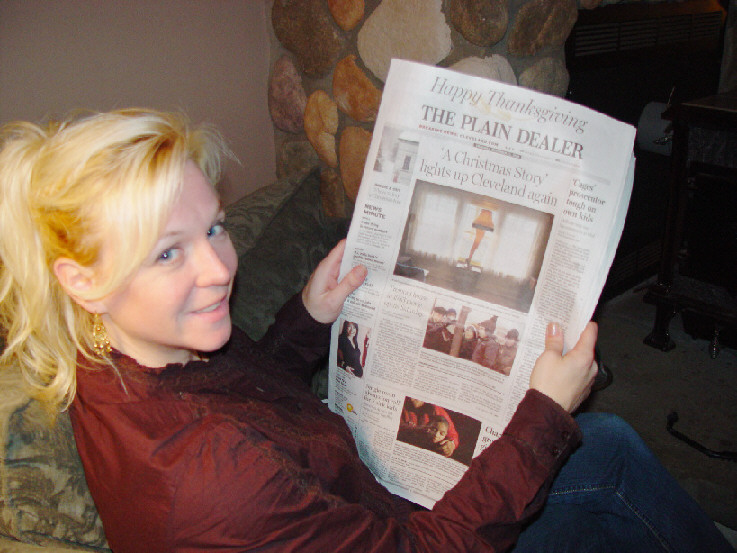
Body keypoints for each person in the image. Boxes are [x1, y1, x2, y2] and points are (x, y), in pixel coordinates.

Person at [0, 109, 732, 553]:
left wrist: (309, 314)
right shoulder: (208, 477)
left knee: (601, 463)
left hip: (361, 494)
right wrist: (544, 412)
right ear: (81, 278)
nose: (220, 268)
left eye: (214, 228)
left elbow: (250, 399)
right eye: (168, 253)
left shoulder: (119, 354)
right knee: (602, 448)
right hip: (405, 526)